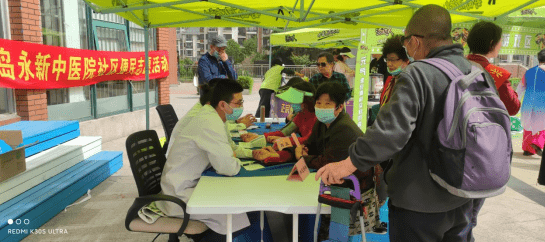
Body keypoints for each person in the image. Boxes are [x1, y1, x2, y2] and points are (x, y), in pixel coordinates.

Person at [315, 5, 497, 241]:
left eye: (405, 43)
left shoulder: (418, 74)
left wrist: (348, 164)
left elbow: (390, 133)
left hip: (419, 203)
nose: (406, 49)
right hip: (464, 195)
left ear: (416, 41)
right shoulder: (478, 71)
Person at [156, 80, 250, 237]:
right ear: (222, 104)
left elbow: (228, 151)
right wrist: (235, 160)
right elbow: (228, 167)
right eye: (238, 102)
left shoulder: (211, 115)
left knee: (239, 208)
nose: (241, 107)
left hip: (191, 184)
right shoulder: (209, 122)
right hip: (180, 195)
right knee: (237, 212)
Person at [243, 81, 317, 165]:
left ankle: (272, 156)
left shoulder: (317, 116)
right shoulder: (300, 114)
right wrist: (260, 137)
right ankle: (271, 156)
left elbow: (310, 139)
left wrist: (286, 141)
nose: (292, 104)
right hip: (301, 149)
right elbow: (283, 132)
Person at [466, 21, 521, 117]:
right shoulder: (498, 74)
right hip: (482, 127)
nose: (501, 44)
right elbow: (513, 108)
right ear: (492, 43)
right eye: (500, 40)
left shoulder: (454, 64)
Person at [516, 49, 545, 157]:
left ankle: (527, 150)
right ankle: (537, 142)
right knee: (542, 126)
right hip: (542, 104)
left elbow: (520, 87)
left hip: (528, 103)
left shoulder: (529, 71)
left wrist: (516, 100)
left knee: (528, 127)